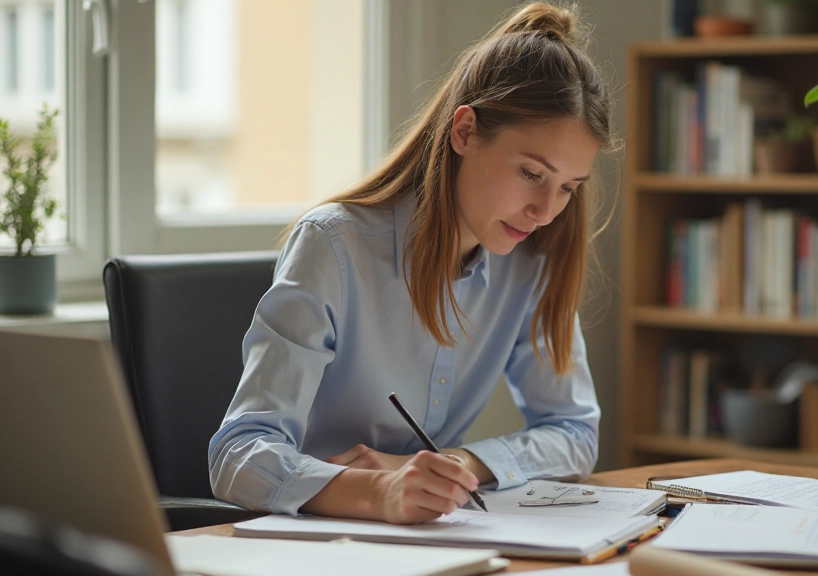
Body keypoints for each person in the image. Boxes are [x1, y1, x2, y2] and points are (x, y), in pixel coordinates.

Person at [209, 2, 614, 525]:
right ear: (464, 131)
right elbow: (238, 456)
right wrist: (377, 491)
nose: (545, 212)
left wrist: (456, 465)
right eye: (532, 174)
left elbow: (575, 433)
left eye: (568, 188)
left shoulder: (529, 263)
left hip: (432, 537)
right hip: (317, 539)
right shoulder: (333, 246)